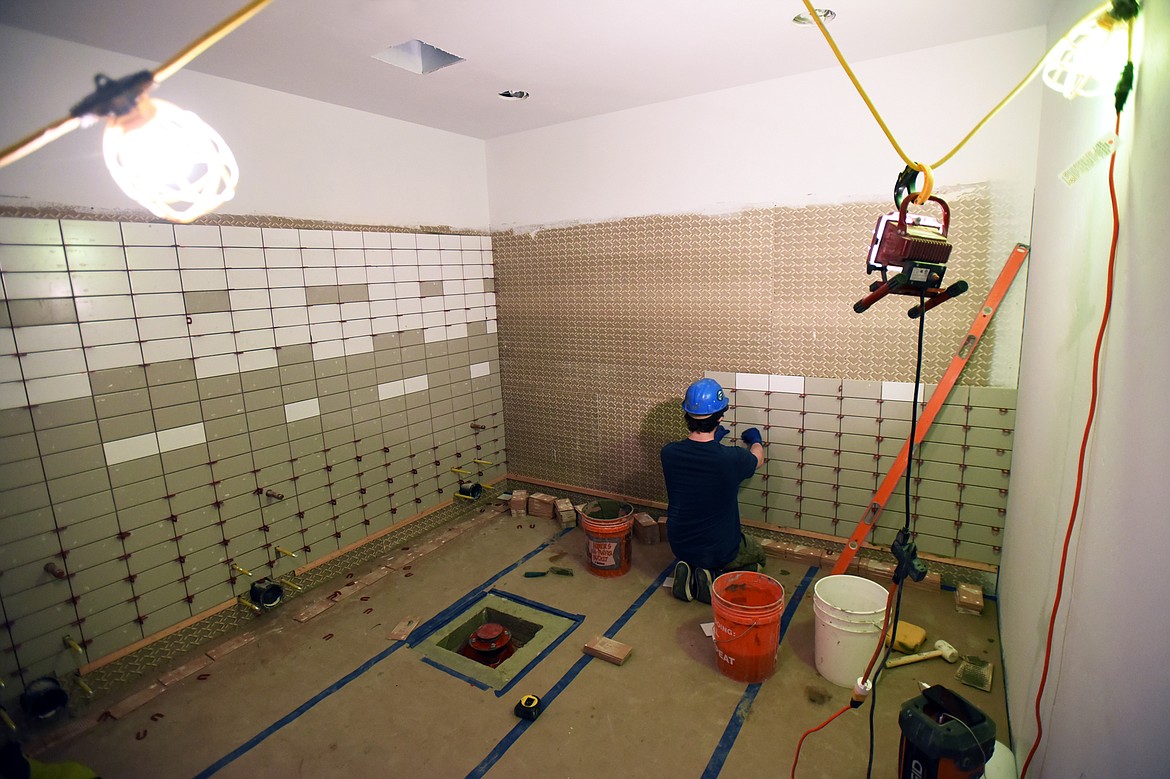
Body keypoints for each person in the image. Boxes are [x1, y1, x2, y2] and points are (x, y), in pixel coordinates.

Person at [661, 377, 767, 604]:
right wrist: (756, 441)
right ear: (720, 416)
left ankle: (690, 569)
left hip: (679, 543)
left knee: (695, 544)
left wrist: (712, 440)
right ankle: (714, 574)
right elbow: (757, 459)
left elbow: (696, 462)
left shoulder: (669, 453)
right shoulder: (731, 459)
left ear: (686, 416)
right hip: (719, 548)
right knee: (755, 552)